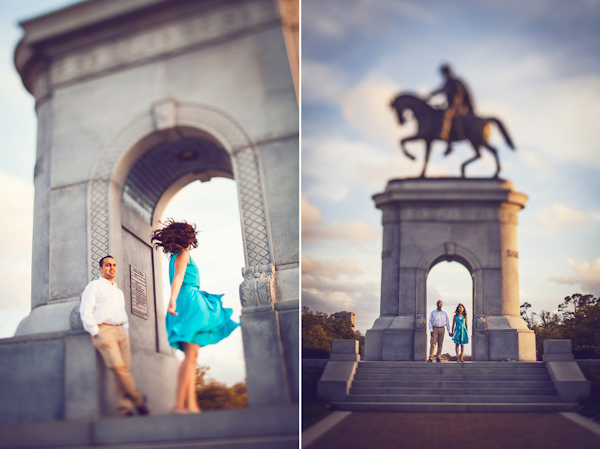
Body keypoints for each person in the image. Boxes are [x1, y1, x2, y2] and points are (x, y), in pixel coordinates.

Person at [151, 219, 240, 414]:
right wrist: (172, 300)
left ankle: (190, 404)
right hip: (188, 301)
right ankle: (178, 404)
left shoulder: (177, 255)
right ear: (189, 237)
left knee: (192, 356)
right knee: (191, 355)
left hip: (188, 300)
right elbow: (178, 278)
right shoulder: (183, 254)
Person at [79, 255, 149, 417]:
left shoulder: (118, 292)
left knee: (124, 371)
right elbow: (85, 309)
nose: (112, 268)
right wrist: (96, 331)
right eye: (108, 265)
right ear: (101, 268)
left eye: (114, 265)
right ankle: (138, 399)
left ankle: (124, 409)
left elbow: (121, 313)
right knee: (118, 367)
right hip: (104, 331)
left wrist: (126, 334)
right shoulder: (94, 286)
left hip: (121, 332)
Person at [427, 64, 475, 154]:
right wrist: (430, 95)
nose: (444, 75)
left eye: (445, 73)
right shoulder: (448, 83)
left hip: (461, 108)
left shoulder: (456, 82)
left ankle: (444, 137)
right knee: (439, 113)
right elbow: (441, 90)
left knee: (447, 114)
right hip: (452, 106)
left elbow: (458, 96)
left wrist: (452, 106)